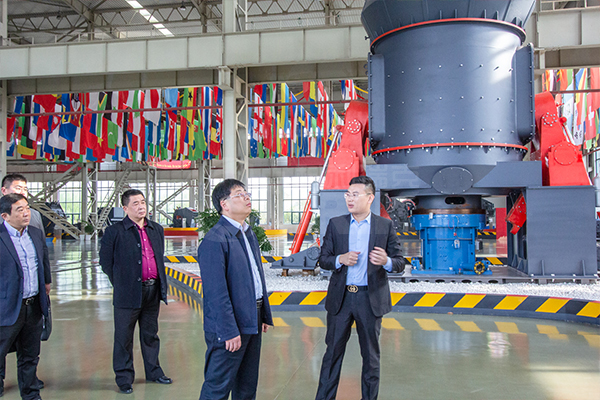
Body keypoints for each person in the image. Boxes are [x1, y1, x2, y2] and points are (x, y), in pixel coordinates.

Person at [315, 176, 405, 400]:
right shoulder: (336, 224)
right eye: (348, 194)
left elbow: (400, 262)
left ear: (370, 198)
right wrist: (340, 259)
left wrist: (386, 261)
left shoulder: (384, 226)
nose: (350, 199)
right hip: (341, 300)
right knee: (332, 355)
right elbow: (323, 259)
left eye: (355, 194)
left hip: (370, 299)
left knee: (371, 358)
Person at [197, 179, 273, 400]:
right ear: (224, 204)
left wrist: (263, 314)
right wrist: (229, 331)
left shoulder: (248, 233)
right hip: (229, 327)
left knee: (246, 387)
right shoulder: (215, 239)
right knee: (217, 388)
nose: (247, 197)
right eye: (239, 194)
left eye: (246, 193)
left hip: (251, 319)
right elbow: (216, 293)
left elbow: (256, 278)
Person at [99, 189, 171, 394]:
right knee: (124, 338)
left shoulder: (156, 229)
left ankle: (154, 372)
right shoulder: (115, 231)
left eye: (143, 202)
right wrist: (121, 283)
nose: (141, 207)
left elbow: (158, 257)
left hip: (152, 291)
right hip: (127, 293)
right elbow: (106, 262)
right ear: (125, 208)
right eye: (135, 204)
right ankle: (124, 378)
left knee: (150, 335)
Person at [0, 193, 51, 400]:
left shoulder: (36, 234)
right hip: (7, 309)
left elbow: (43, 263)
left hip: (33, 307)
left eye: (27, 208)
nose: (26, 213)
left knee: (30, 356)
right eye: (19, 210)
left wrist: (46, 285)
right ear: (5, 216)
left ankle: (31, 395)